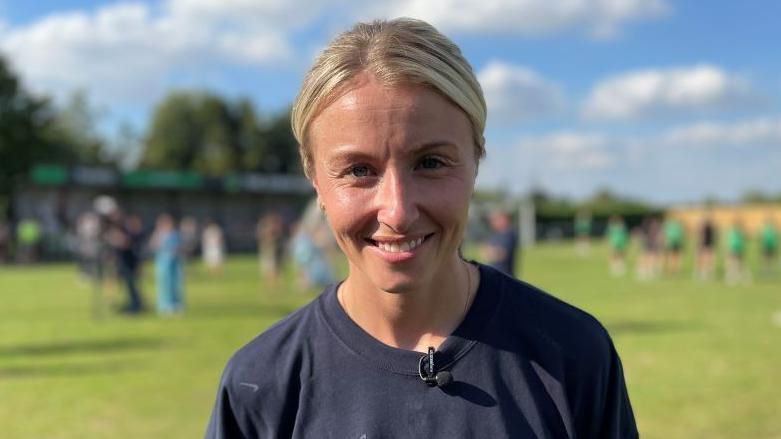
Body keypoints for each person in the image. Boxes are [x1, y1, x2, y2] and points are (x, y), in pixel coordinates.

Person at [206, 18, 637, 439]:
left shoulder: (573, 355)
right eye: (359, 170)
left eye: (430, 163)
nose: (397, 211)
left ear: (476, 160)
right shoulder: (261, 386)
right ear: (315, 178)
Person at [151, 214, 184, 315]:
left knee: (175, 283)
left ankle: (176, 304)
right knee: (164, 284)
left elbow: (180, 246)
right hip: (163, 261)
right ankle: (165, 305)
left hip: (174, 261)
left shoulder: (175, 234)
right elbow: (153, 246)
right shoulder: (159, 234)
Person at [482, 208, 519, 277]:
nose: (492, 222)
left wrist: (490, 252)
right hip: (494, 275)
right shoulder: (495, 234)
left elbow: (502, 254)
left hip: (506, 276)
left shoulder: (509, 234)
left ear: (504, 219)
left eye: (495, 219)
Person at [696, 214, 717, 280]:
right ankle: (703, 273)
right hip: (704, 245)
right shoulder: (704, 228)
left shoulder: (709, 228)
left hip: (707, 245)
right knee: (703, 260)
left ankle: (706, 273)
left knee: (708, 260)